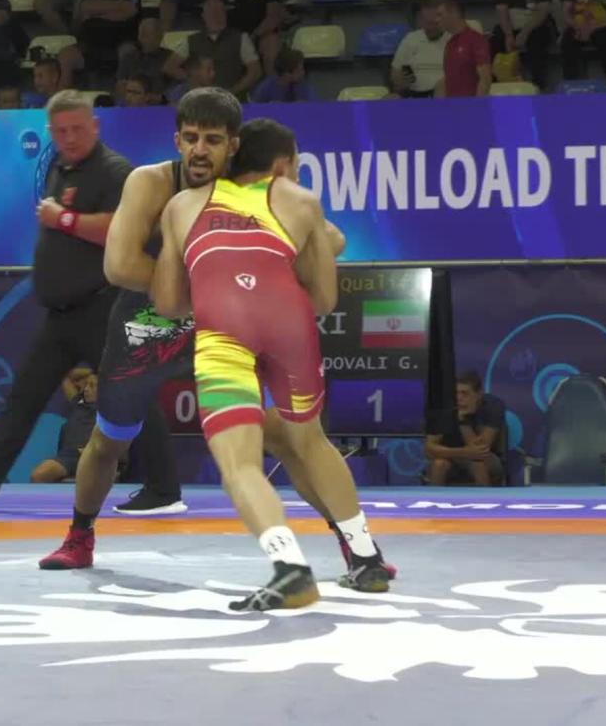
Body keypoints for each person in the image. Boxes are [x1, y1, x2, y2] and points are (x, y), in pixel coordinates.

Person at [39, 89, 393, 591]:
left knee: (290, 435)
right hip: (149, 326)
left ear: (233, 145)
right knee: (109, 439)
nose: (199, 150)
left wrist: (245, 275)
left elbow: (331, 238)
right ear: (176, 141)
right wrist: (207, 287)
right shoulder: (151, 183)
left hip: (223, 326)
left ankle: (356, 548)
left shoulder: (247, 185)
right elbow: (119, 265)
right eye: (190, 139)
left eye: (212, 140)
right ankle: (80, 535)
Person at [151, 117, 393, 610]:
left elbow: (169, 303)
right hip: (288, 325)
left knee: (239, 462)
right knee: (311, 441)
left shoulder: (181, 205)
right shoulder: (299, 201)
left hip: (223, 331)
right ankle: (367, 559)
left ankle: (290, 569)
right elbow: (324, 300)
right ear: (283, 165)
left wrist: (219, 287)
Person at [0, 90, 183, 513]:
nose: (70, 138)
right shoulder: (60, 168)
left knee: (131, 393)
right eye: (61, 131)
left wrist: (63, 219)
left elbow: (123, 230)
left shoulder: (114, 171)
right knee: (25, 395)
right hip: (63, 314)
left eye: (78, 129)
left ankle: (164, 490)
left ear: (95, 126)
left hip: (102, 307)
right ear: (51, 131)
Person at [425, 370, 507, 486]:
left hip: (486, 457)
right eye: (455, 393)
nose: (459, 398)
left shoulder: (493, 406)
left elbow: (481, 450)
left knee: (478, 463)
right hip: (449, 455)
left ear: (479, 394)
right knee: (439, 464)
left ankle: (485, 497)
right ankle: (433, 497)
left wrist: (462, 421)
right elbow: (429, 448)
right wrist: (464, 452)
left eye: (465, 393)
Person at [30, 368, 102, 482]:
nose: (86, 389)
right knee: (39, 475)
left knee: (40, 474)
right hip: (70, 455)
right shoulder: (77, 403)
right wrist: (93, 370)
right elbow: (66, 376)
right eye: (86, 385)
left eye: (92, 386)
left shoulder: (112, 409)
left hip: (93, 455)